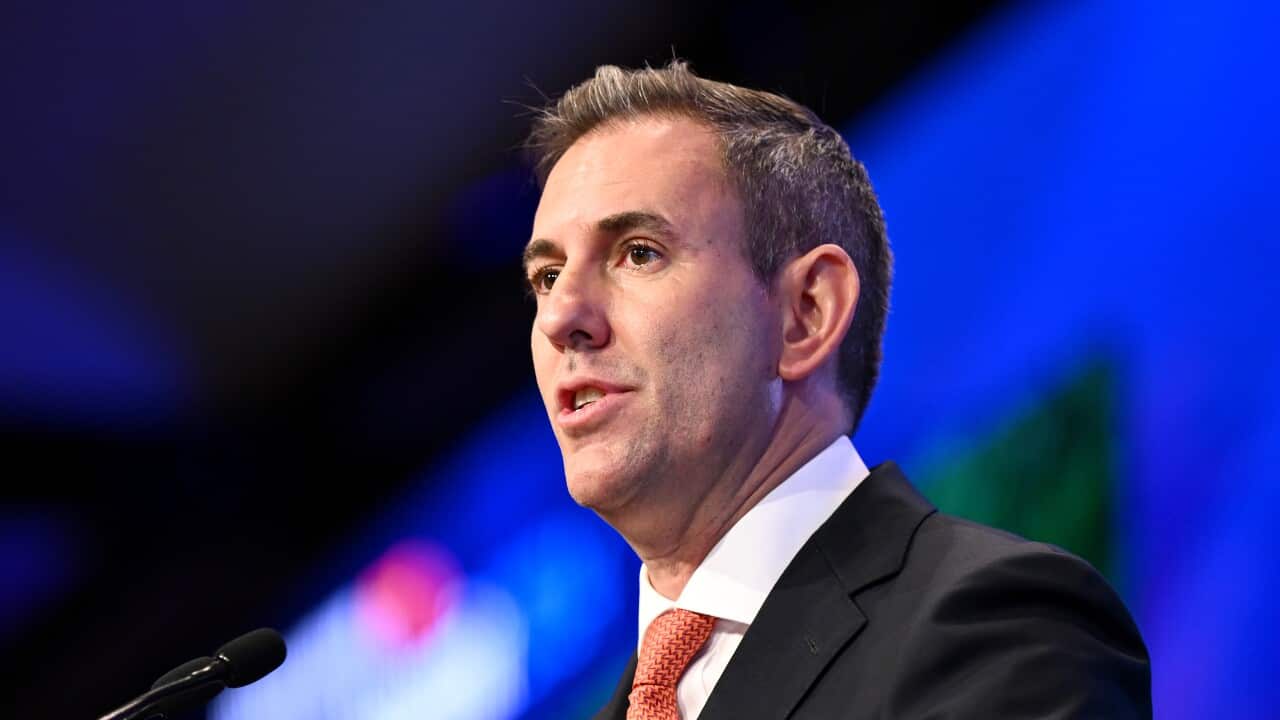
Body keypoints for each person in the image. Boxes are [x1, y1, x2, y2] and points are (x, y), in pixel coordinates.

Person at [522, 61, 1151, 720]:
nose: (561, 317)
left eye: (639, 252)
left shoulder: (993, 624)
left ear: (806, 313)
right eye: (547, 276)